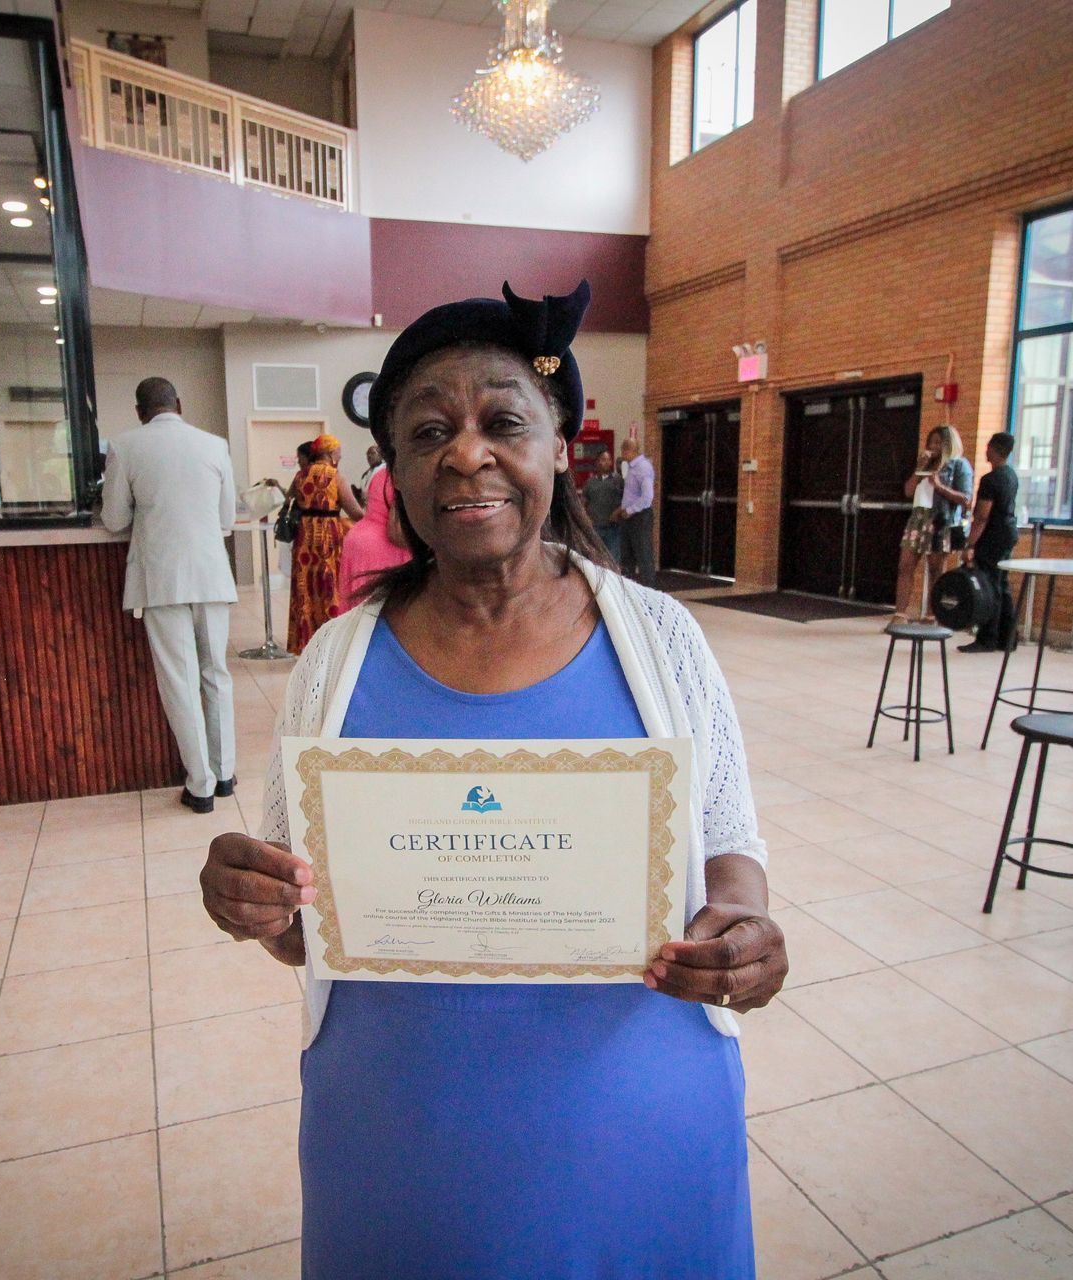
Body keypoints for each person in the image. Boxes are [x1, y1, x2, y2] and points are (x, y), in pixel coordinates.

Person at [199, 280, 784, 1277]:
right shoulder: (334, 662)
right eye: (428, 431)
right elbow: (304, 925)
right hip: (401, 1146)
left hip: (637, 1137)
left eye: (502, 420)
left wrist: (742, 938)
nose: (466, 451)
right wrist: (251, 897)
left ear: (560, 443)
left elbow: (732, 857)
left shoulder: (663, 638)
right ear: (394, 472)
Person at [103, 377, 239, 814]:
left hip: (161, 580)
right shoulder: (214, 444)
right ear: (178, 404)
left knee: (179, 680)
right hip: (212, 574)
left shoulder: (125, 446)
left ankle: (199, 785)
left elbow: (113, 518)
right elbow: (227, 518)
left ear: (140, 410)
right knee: (215, 673)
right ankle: (225, 774)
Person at [286, 433, 364, 653]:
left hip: (305, 536)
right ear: (330, 453)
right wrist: (375, 518)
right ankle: (330, 639)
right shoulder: (335, 476)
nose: (340, 454)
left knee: (306, 586)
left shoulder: (300, 475)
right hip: (328, 536)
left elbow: (289, 499)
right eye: (338, 451)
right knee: (329, 585)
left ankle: (306, 641)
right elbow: (354, 510)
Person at [892, 424, 972, 625]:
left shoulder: (959, 465)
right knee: (905, 565)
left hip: (940, 520)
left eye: (939, 442)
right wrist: (919, 469)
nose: (934, 446)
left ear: (949, 444)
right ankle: (900, 614)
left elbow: (966, 498)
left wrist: (940, 486)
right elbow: (909, 491)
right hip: (918, 519)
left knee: (936, 569)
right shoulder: (925, 465)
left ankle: (931, 614)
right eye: (931, 442)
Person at [961, 431, 1020, 652]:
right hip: (1008, 533)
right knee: (1002, 585)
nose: (986, 450)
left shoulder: (990, 480)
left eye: (988, 447)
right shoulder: (1011, 475)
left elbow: (982, 516)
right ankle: (1008, 638)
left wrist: (970, 545)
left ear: (993, 449)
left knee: (989, 586)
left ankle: (988, 638)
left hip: (993, 536)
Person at [332, 459, 410, 615]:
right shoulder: (405, 476)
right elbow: (397, 533)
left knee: (357, 611)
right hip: (384, 546)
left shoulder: (381, 473)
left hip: (359, 538)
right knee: (380, 616)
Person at [616, 436, 657, 587]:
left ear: (630, 450)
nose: (622, 454)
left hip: (640, 517)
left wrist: (631, 510)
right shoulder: (630, 467)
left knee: (643, 554)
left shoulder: (644, 468)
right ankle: (629, 589)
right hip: (627, 517)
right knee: (627, 556)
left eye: (623, 450)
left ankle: (649, 591)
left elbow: (647, 497)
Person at [581, 448, 625, 566]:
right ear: (597, 462)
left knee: (613, 560)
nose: (607, 462)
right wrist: (586, 518)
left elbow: (626, 500)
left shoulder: (618, 481)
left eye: (609, 460)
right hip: (595, 528)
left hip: (613, 528)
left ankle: (613, 584)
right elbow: (582, 503)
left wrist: (618, 511)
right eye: (603, 459)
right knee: (595, 560)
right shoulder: (590, 482)